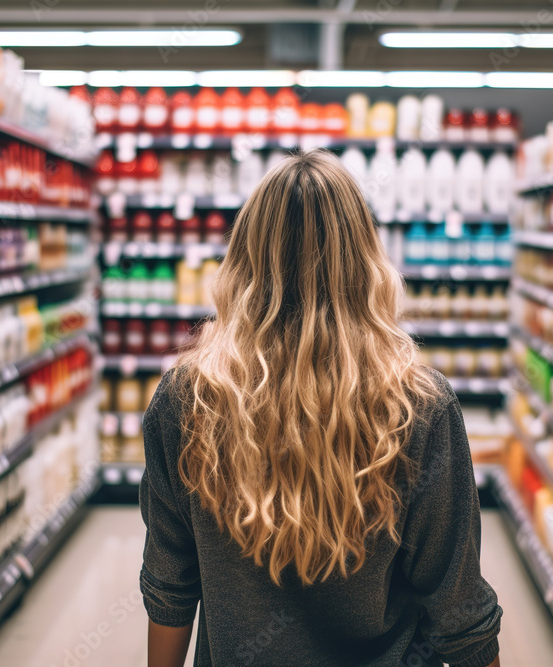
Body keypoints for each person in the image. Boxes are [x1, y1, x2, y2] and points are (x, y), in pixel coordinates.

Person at [140, 149, 502, 666]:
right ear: (364, 259)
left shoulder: (188, 399)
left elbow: (170, 585)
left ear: (243, 257)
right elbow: (459, 610)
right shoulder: (419, 406)